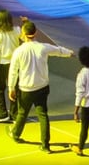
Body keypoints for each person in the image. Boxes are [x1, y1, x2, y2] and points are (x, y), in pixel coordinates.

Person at [7, 21, 74, 150]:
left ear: (23, 34)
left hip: (25, 88)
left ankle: (15, 134)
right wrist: (71, 53)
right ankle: (45, 144)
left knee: (22, 113)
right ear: (35, 32)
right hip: (42, 87)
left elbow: (13, 71)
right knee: (43, 114)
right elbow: (59, 51)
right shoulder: (43, 47)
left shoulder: (19, 51)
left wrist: (11, 88)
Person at [0, 10, 23, 123]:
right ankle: (15, 114)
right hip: (15, 64)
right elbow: (25, 35)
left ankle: (2, 114)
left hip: (1, 65)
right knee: (14, 88)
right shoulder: (17, 30)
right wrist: (25, 22)